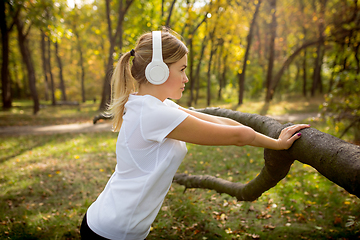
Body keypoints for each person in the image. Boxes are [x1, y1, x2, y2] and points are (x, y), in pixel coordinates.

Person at [80, 29, 310, 240]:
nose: (186, 78)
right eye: (181, 69)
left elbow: (218, 120)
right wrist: (278, 144)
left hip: (115, 225)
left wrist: (266, 130)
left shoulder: (151, 105)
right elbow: (238, 136)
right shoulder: (153, 114)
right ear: (157, 71)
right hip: (112, 232)